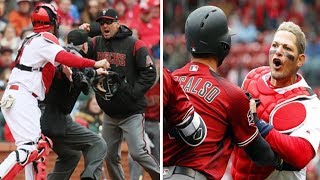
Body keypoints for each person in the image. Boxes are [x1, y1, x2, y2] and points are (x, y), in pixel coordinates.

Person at [166, 6, 283, 180]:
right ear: (224, 45)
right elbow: (259, 154)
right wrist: (281, 160)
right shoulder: (232, 94)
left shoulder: (171, 78)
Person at [0, 4, 109, 180]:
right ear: (52, 21)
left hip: (20, 96)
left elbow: (63, 58)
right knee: (30, 148)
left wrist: (78, 37)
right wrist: (94, 64)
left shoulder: (31, 38)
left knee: (36, 148)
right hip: (23, 96)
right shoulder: (44, 39)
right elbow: (64, 56)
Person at [231, 21, 320, 179]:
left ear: (300, 60)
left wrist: (259, 126)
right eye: (275, 45)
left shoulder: (309, 103)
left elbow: (302, 154)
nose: (278, 51)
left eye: (287, 48)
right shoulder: (252, 78)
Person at [79, 8, 160, 180]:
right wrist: (79, 34)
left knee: (138, 152)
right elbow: (77, 54)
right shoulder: (96, 42)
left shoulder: (135, 44)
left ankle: (160, 176)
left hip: (131, 112)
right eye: (102, 23)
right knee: (108, 155)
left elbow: (150, 73)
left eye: (109, 22)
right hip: (109, 112)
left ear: (117, 23)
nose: (105, 26)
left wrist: (133, 92)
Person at [39, 28, 108, 180]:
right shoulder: (70, 58)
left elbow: (78, 69)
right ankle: (89, 178)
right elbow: (79, 77)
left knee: (71, 155)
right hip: (54, 118)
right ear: (84, 46)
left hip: (43, 116)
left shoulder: (61, 53)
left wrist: (95, 73)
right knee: (98, 143)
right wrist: (93, 74)